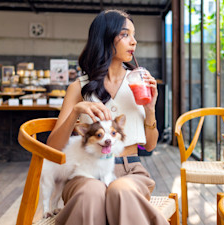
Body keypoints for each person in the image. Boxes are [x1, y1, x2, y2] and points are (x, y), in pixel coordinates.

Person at [46, 9, 169, 225]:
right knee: (91, 193)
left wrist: (151, 110)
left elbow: (149, 146)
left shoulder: (137, 82)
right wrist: (76, 112)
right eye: (125, 35)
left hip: (130, 168)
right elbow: (54, 148)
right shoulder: (79, 88)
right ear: (104, 37)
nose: (134, 42)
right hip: (86, 171)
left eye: (134, 35)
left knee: (119, 190)